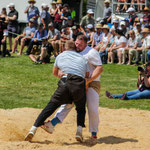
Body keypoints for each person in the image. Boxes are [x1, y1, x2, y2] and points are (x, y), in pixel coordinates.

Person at [42, 34, 103, 142]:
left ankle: (93, 134)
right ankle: (52, 124)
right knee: (68, 103)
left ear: (85, 43)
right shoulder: (75, 53)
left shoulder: (92, 52)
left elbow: (100, 68)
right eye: (76, 43)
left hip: (92, 82)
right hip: (77, 82)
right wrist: (61, 72)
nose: (77, 46)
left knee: (92, 108)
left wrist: (88, 80)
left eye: (79, 44)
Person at [25, 40, 89, 141]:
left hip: (65, 83)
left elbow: (55, 73)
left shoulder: (60, 56)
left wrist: (61, 72)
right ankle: (79, 131)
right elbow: (86, 76)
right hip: (78, 84)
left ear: (65, 48)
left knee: (50, 107)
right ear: (75, 48)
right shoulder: (83, 58)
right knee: (80, 109)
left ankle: (33, 129)